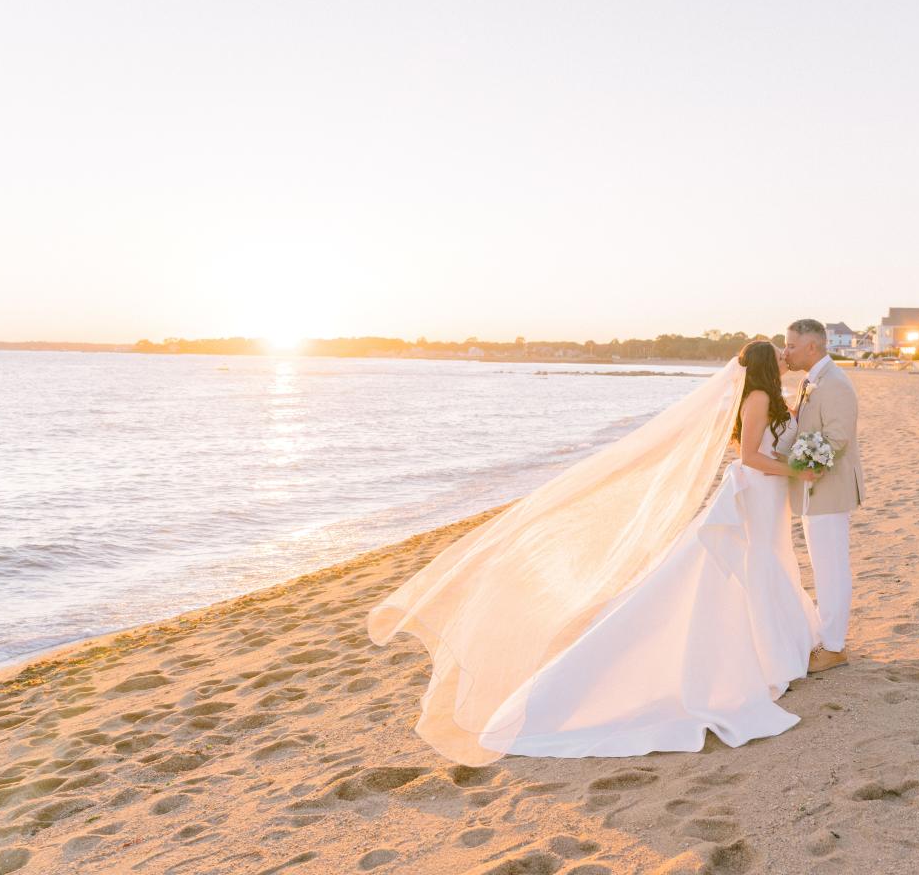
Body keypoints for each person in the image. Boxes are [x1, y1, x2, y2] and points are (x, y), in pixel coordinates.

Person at [368, 340, 823, 763]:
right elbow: (748, 457)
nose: (786, 355)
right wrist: (794, 470)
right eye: (779, 353)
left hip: (766, 497)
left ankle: (779, 645)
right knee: (745, 569)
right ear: (768, 364)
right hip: (756, 492)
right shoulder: (758, 399)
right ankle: (765, 653)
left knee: (764, 565)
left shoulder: (772, 396)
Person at [782, 318, 865, 673]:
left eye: (790, 346)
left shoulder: (835, 385)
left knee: (832, 568)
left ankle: (833, 648)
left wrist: (801, 466)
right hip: (814, 491)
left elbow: (837, 437)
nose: (786, 352)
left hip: (828, 489)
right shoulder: (811, 381)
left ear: (812, 347)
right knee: (823, 565)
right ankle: (825, 635)